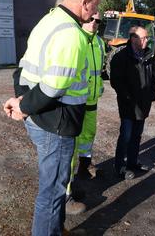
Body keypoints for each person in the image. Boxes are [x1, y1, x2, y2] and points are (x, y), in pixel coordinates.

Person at [3, 0, 101, 236]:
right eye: (95, 7)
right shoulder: (72, 35)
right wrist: (24, 107)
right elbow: (54, 87)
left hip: (42, 118)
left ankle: (55, 229)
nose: (95, 13)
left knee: (55, 187)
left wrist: (21, 100)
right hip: (56, 124)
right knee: (53, 191)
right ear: (85, 2)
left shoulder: (48, 20)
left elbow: (23, 67)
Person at [66, 12, 105, 215]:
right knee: (70, 145)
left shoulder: (99, 42)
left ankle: (85, 165)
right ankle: (67, 190)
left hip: (92, 99)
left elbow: (99, 70)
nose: (94, 23)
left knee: (89, 134)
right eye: (90, 19)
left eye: (97, 20)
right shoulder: (75, 39)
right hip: (75, 101)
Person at [110, 26, 155, 180]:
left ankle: (132, 162)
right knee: (126, 136)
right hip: (129, 105)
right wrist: (128, 97)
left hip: (143, 104)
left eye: (147, 38)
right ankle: (120, 166)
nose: (146, 40)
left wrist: (151, 96)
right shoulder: (121, 57)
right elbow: (116, 81)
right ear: (133, 38)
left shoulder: (148, 56)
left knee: (137, 135)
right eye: (143, 38)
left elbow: (152, 78)